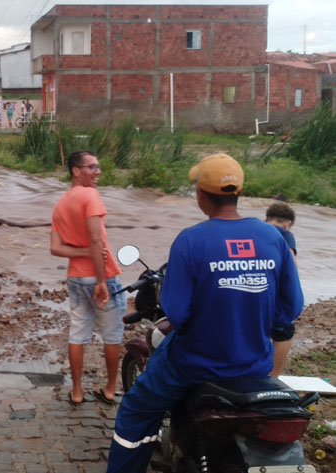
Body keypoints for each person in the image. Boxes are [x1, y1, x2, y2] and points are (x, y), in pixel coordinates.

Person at [106, 154, 304, 473]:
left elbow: (177, 314)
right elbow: (290, 310)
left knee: (135, 409)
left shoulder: (191, 240)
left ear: (200, 195)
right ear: (239, 192)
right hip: (255, 363)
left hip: (194, 365)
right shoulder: (273, 238)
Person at [50, 150, 126, 406]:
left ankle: (77, 391)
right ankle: (109, 388)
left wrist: (82, 252)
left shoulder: (61, 203)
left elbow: (56, 249)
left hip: (76, 278)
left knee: (78, 333)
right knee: (112, 335)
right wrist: (103, 281)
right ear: (76, 171)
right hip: (100, 276)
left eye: (98, 166)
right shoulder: (91, 195)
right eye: (92, 167)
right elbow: (96, 239)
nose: (98, 171)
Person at [265, 201, 298, 376]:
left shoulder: (256, 229)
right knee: (284, 329)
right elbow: (291, 265)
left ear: (266, 218)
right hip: (271, 293)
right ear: (288, 223)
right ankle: (272, 376)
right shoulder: (284, 233)